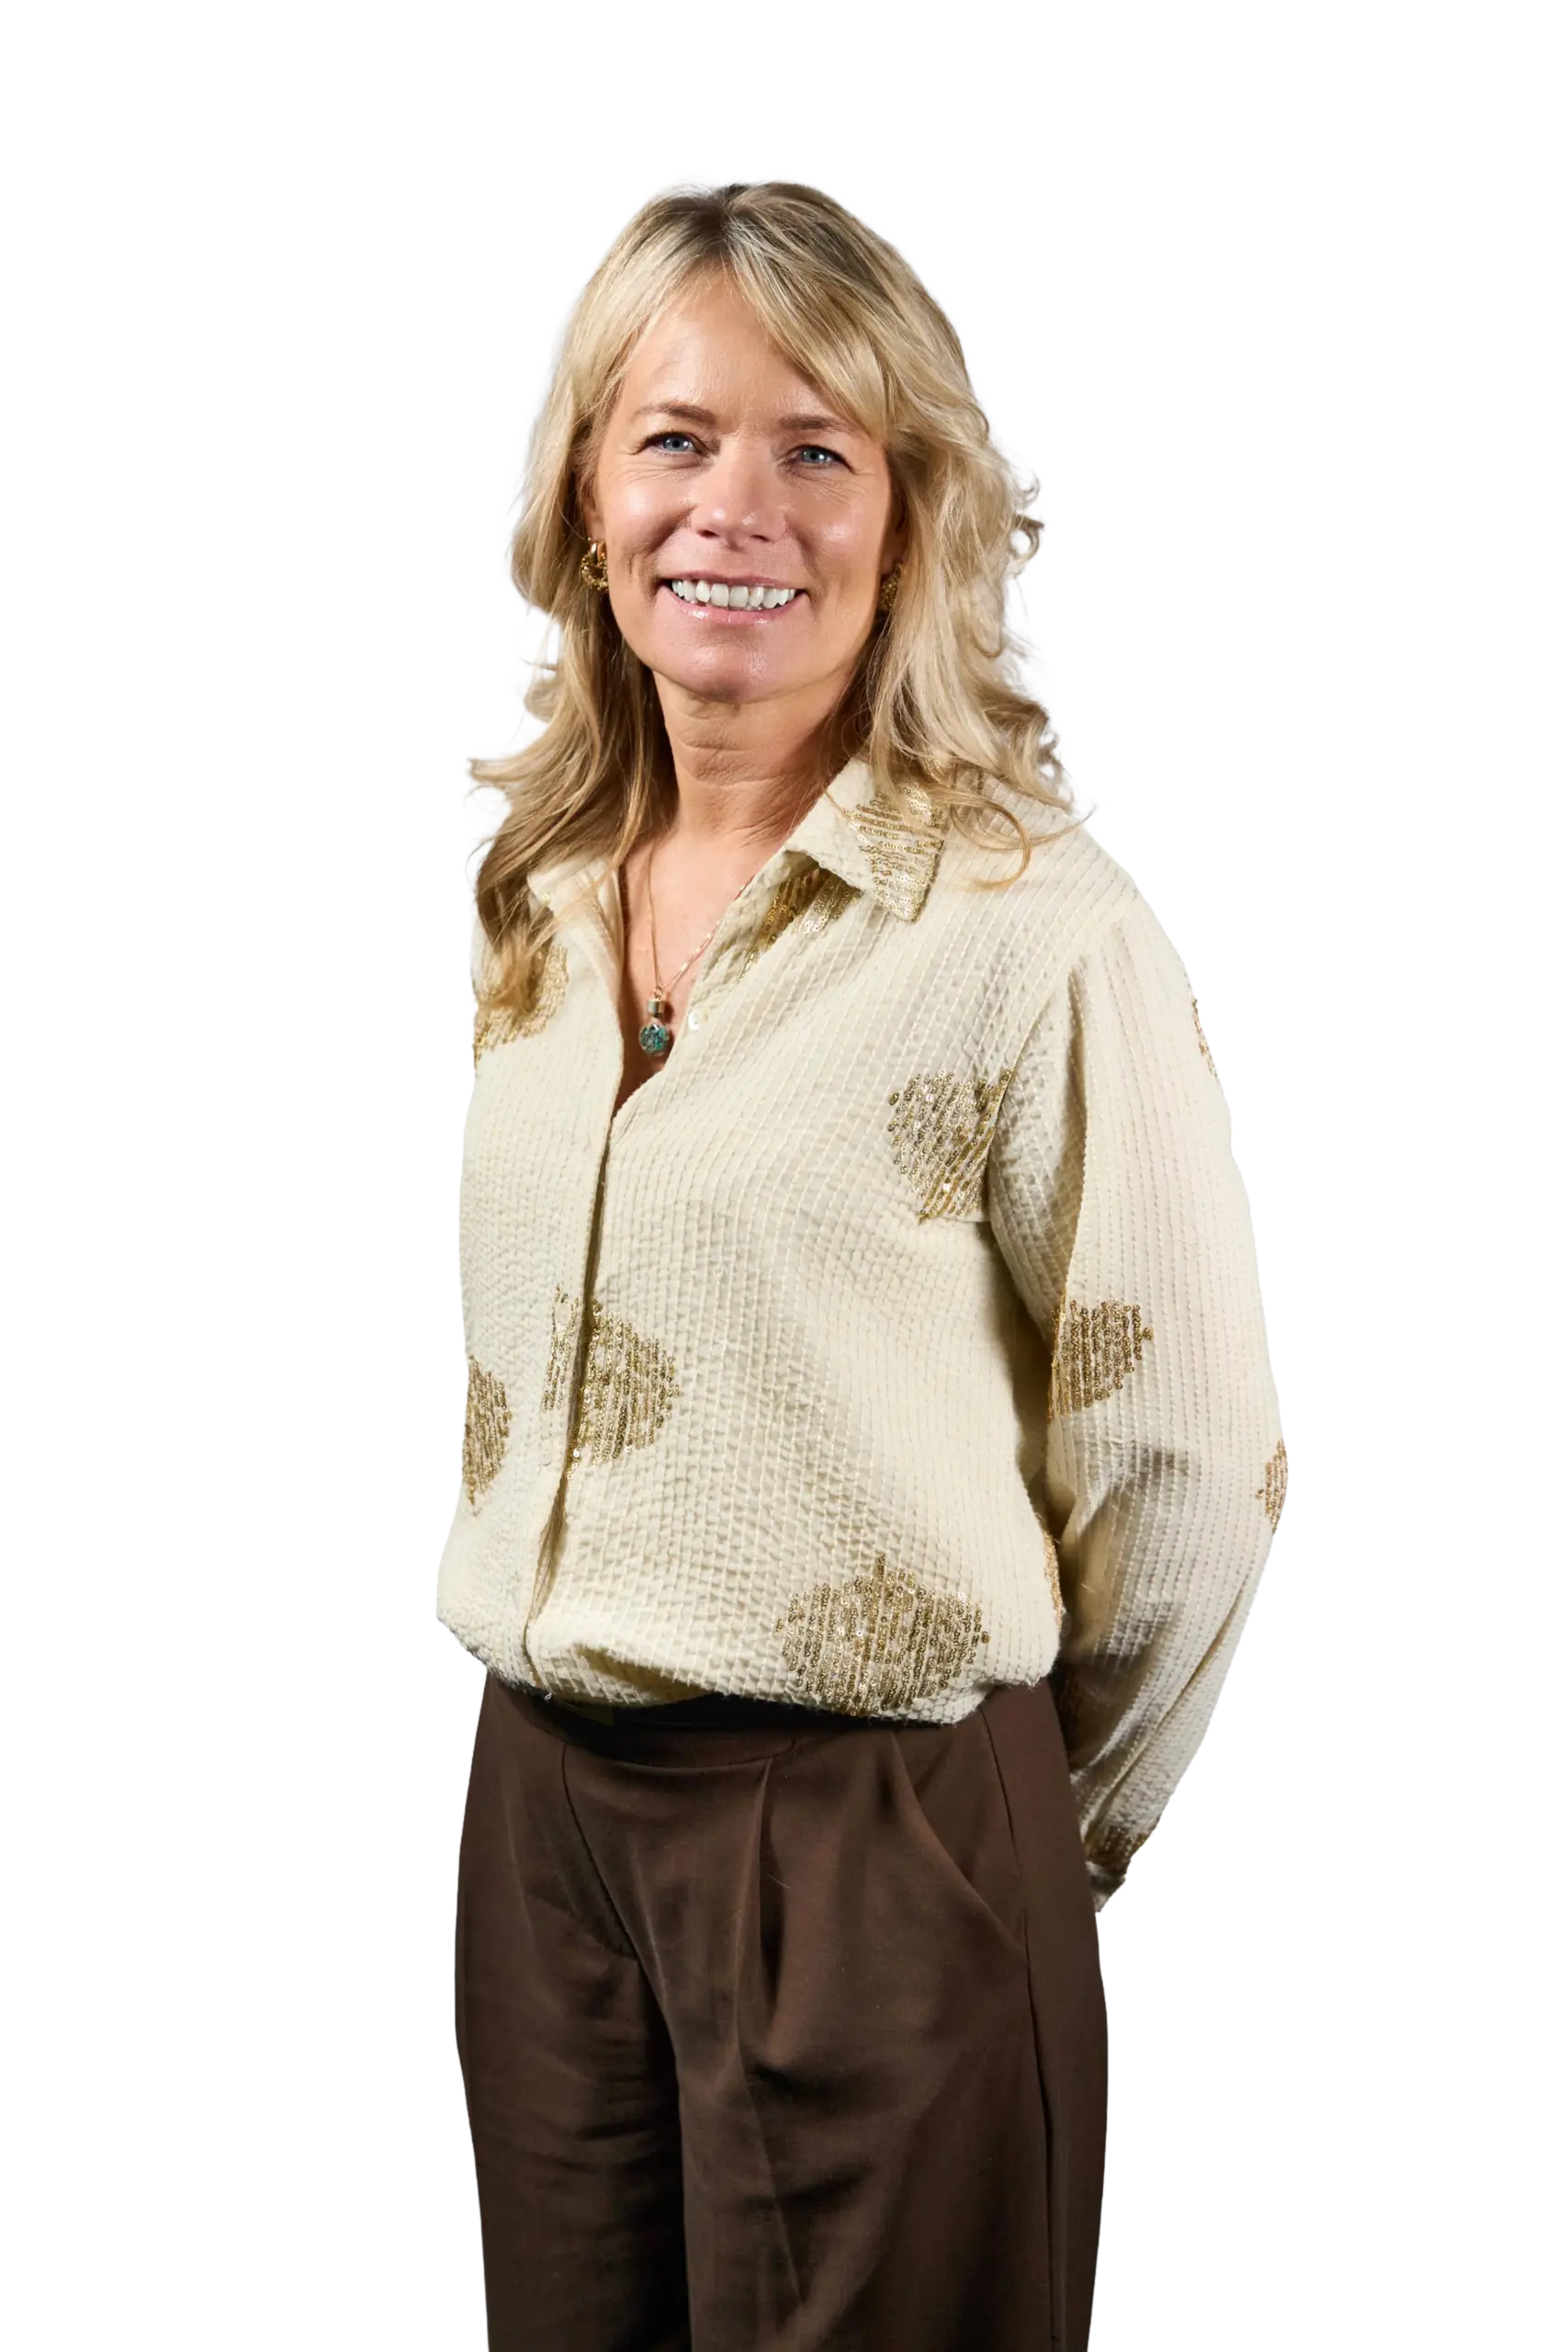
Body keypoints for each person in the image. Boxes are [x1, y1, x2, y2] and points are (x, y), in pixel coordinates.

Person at [445, 170, 1288, 2352]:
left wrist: (987, 1847)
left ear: (908, 520)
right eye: (675, 438)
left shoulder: (1038, 931)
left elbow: (1187, 1467)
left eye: (817, 449)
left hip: (877, 1821)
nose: (735, 506)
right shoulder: (534, 895)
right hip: (540, 1824)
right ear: (586, 496)